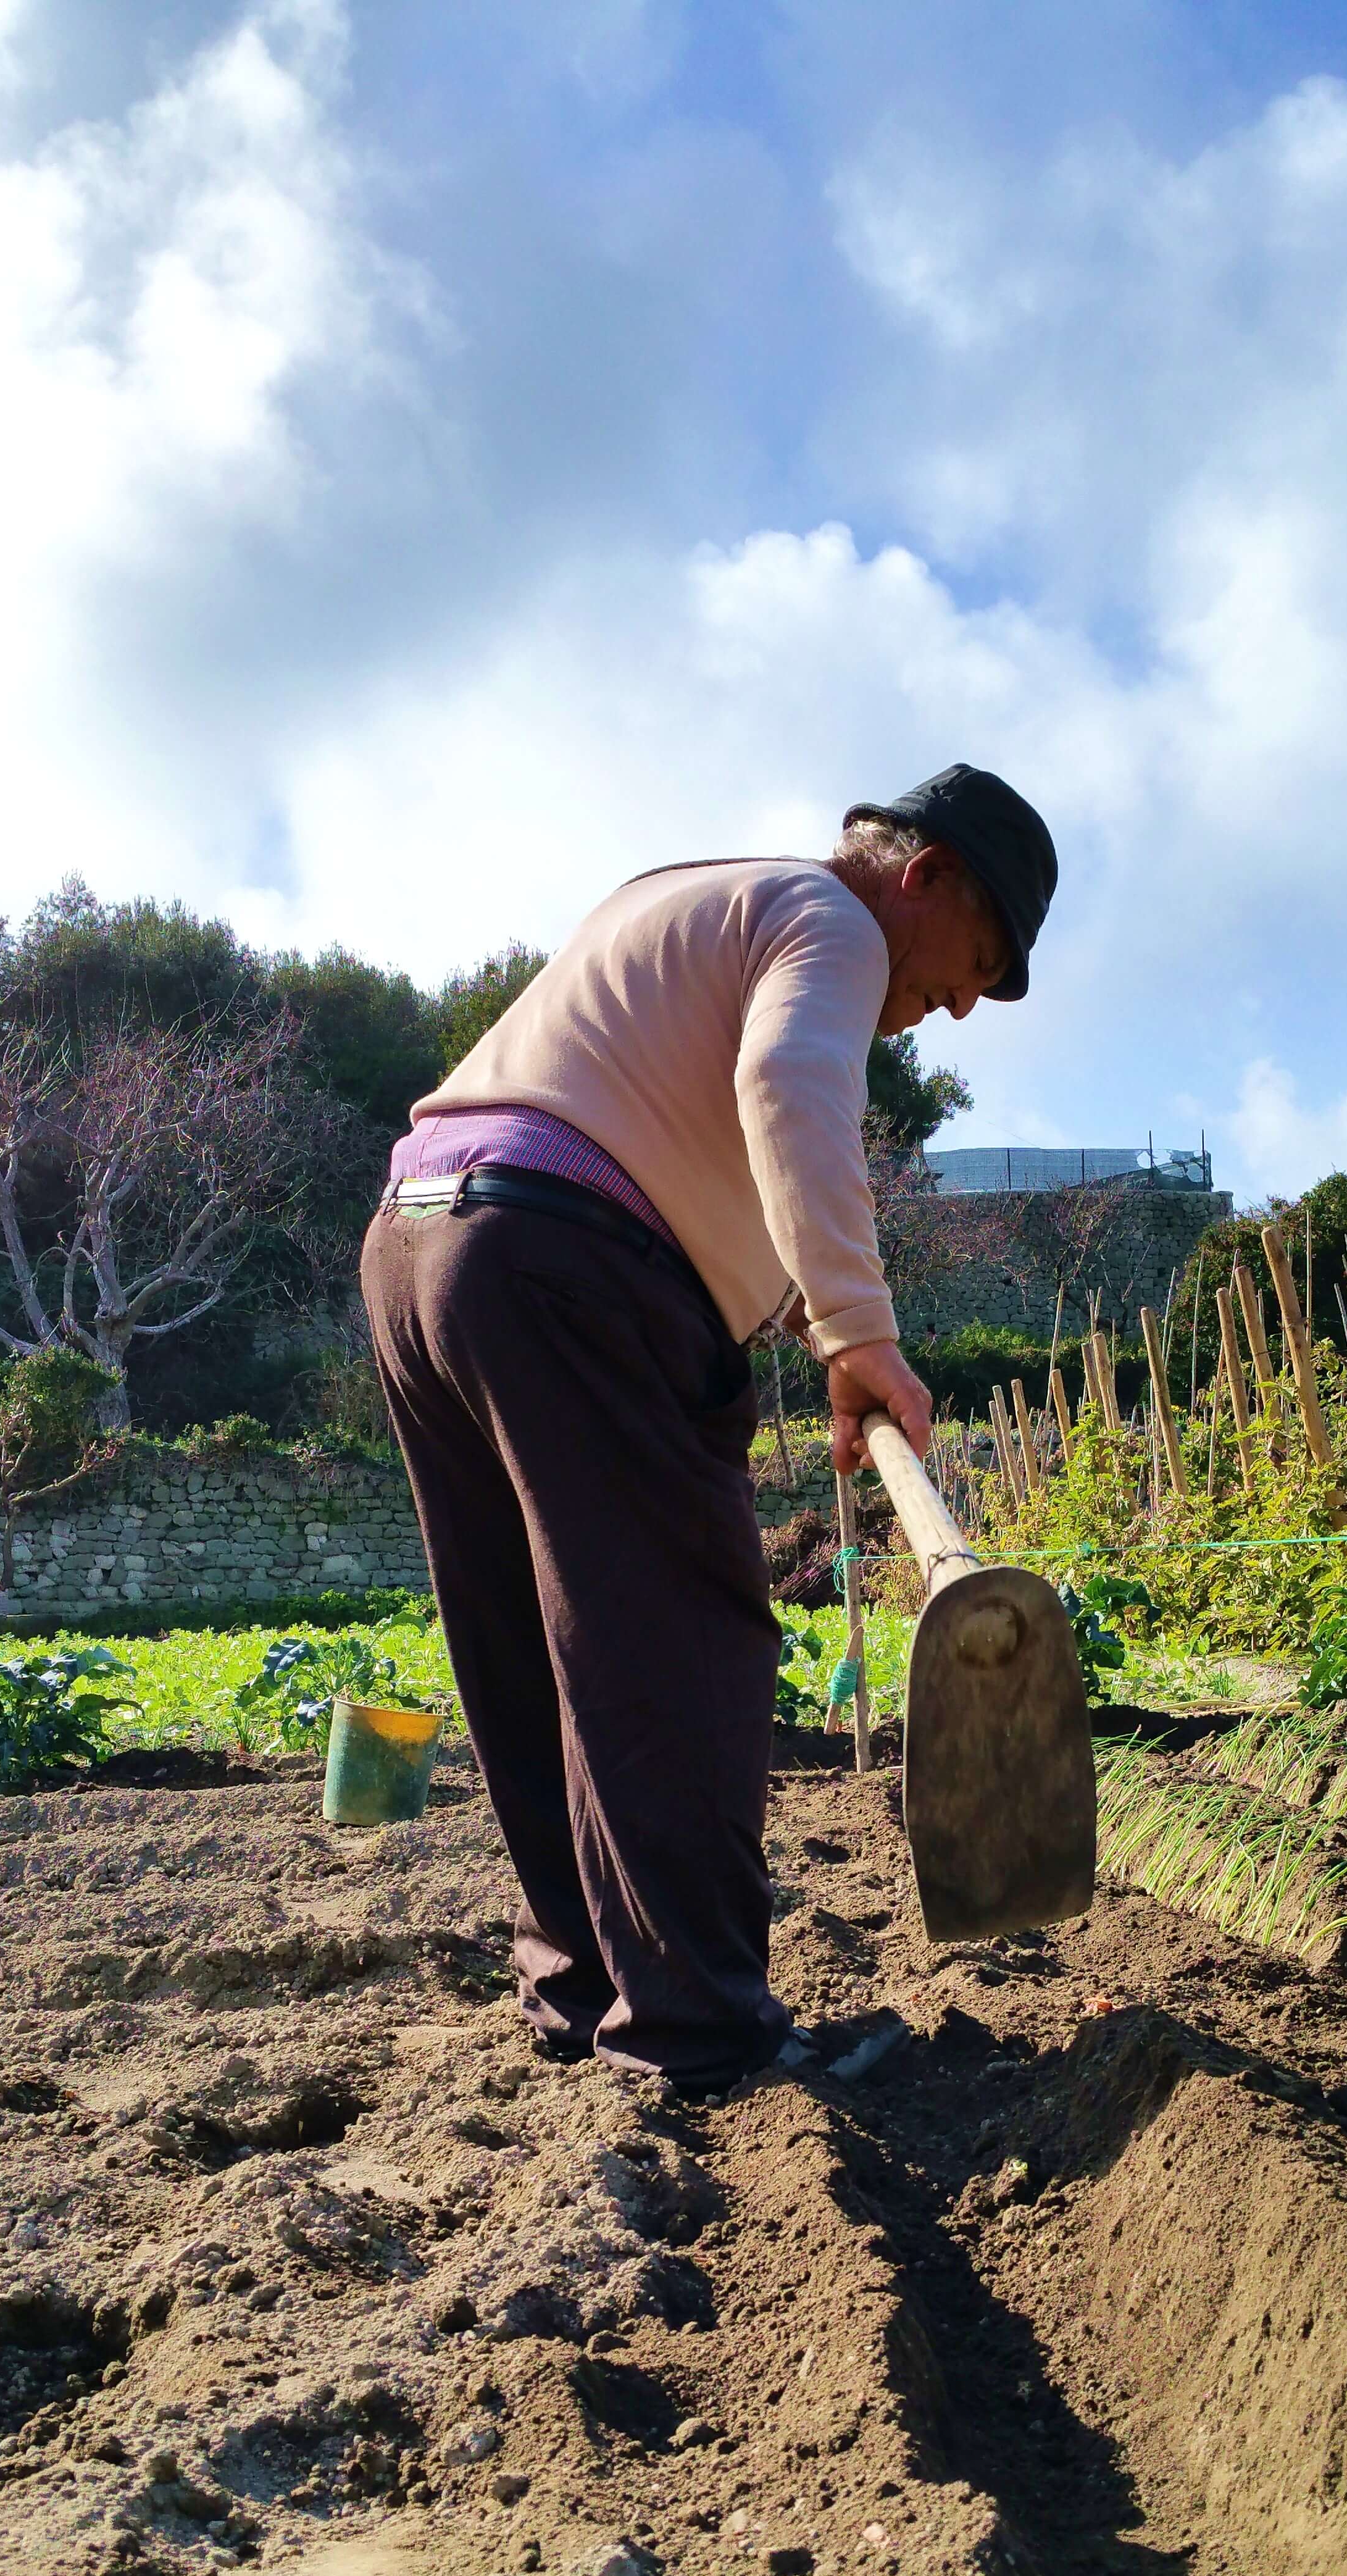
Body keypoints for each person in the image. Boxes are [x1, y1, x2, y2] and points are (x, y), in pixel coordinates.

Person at [362, 762, 1057, 2097]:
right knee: (679, 1636)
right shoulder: (834, 922)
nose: (960, 1003)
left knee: (536, 1641)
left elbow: (680, 1131)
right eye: (974, 961)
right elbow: (791, 1091)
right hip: (562, 1265)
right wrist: (863, 1328)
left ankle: (578, 1983)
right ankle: (697, 2027)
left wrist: (807, 1314)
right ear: (926, 877)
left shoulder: (694, 895)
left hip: (423, 1250)